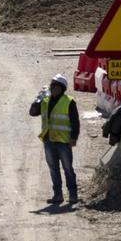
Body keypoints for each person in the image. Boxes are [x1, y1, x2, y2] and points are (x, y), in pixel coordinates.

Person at [29, 74, 80, 206]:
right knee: (53, 169)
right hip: (48, 139)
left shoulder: (69, 101)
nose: (54, 89)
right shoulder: (45, 101)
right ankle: (58, 195)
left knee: (68, 168)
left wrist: (74, 138)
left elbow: (75, 122)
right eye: (52, 86)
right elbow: (33, 112)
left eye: (56, 86)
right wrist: (38, 99)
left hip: (63, 141)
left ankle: (73, 195)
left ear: (62, 88)